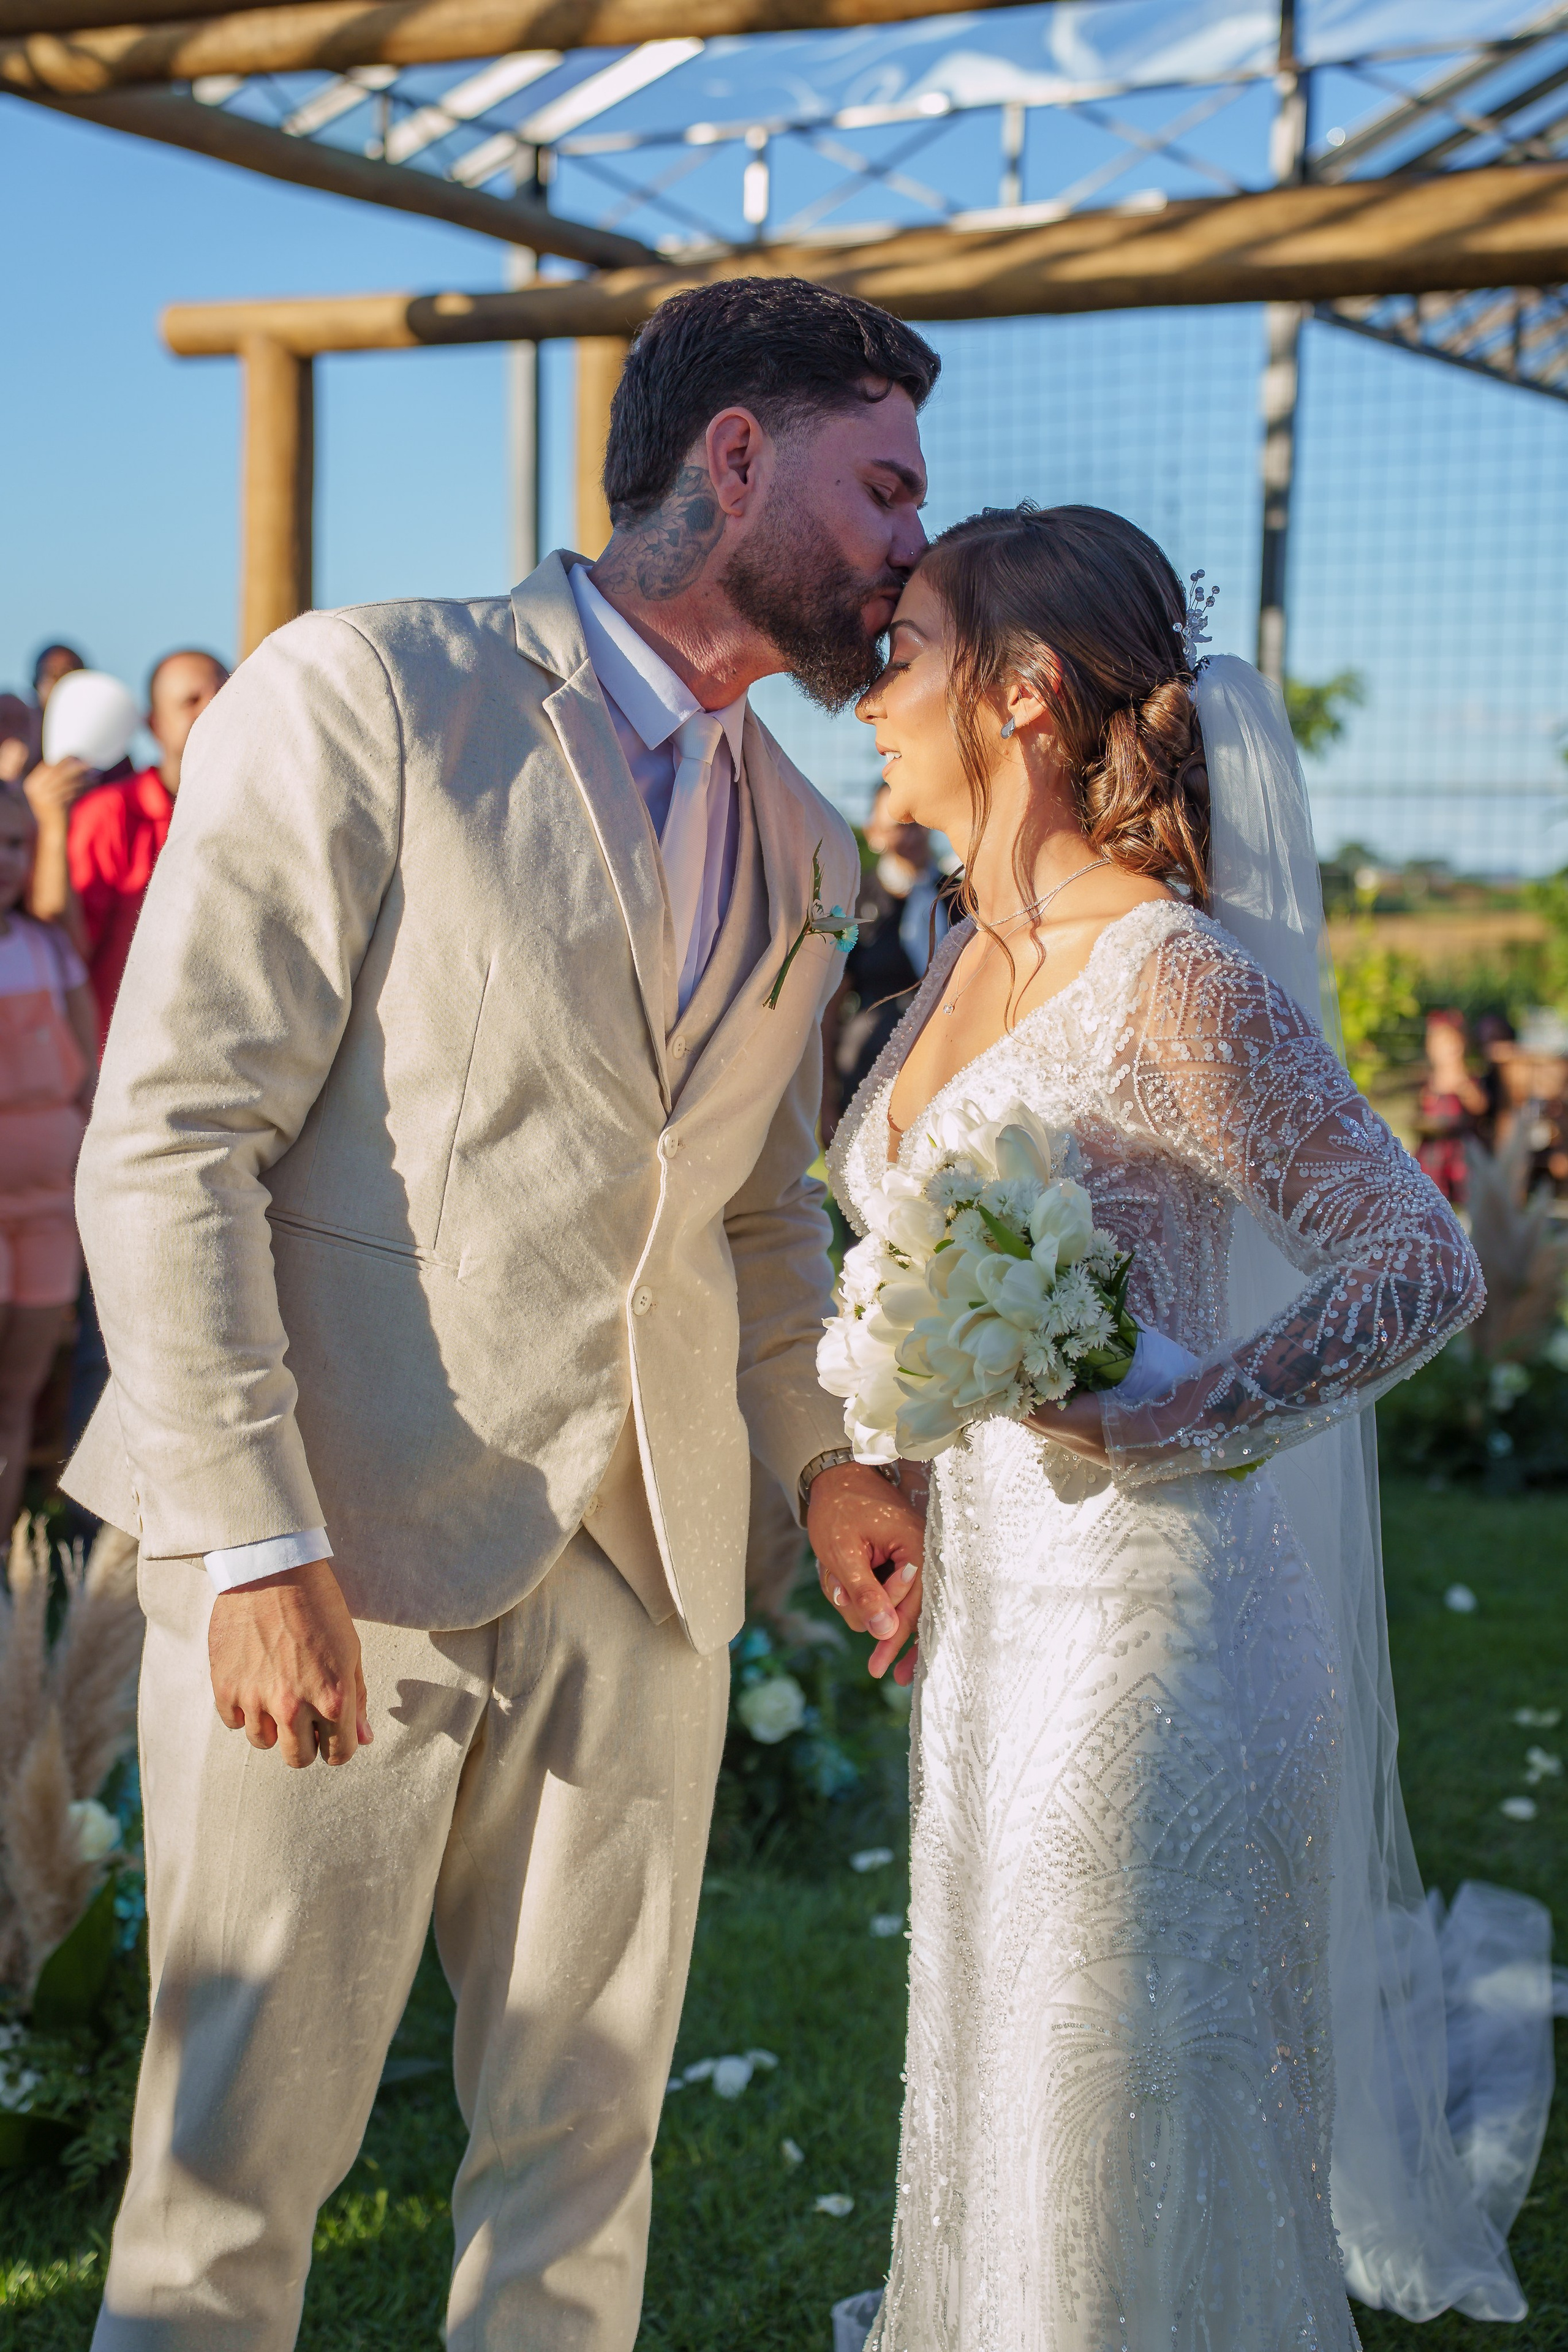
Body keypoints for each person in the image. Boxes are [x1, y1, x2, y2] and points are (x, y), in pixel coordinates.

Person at [64, 275, 935, 2352]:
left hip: (642, 1586)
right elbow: (174, 1137)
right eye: (886, 483)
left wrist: (819, 1471)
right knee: (227, 2188)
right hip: (338, 1553)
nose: (917, 543)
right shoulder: (365, 689)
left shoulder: (807, 841)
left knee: (582, 2161)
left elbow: (749, 1223)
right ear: (734, 456)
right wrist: (257, 1538)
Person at [824, 504, 1540, 2347]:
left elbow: (1417, 1259)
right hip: (995, 1633)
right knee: (1011, 2097)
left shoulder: (1172, 972)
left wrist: (1198, 1407)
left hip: (1160, 1642)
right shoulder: (959, 955)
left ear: (1027, 692)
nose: (864, 692)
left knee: (1125, 2115)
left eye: (902, 649)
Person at [28, 648, 228, 1049]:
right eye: (191, 701)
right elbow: (68, 947)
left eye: (227, 695)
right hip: (123, 1070)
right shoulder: (110, 816)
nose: (215, 710)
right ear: (154, 724)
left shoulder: (264, 812)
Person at [0, 788, 97, 1536]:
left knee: (19, 1397)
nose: (5, 862)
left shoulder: (49, 949)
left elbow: (86, 1070)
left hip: (48, 1211)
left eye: (15, 844)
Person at [822, 780, 957, 1140]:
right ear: (874, 833)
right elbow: (830, 1006)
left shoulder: (962, 899)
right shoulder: (852, 906)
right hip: (870, 1072)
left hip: (947, 1070)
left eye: (917, 825)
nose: (911, 837)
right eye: (899, 827)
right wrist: (825, 1100)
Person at [1416, 1008, 1488, 1204]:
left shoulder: (1467, 1079)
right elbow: (1422, 1109)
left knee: (1463, 1190)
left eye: (1452, 1044)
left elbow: (1480, 1107)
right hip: (1434, 1148)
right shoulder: (1429, 1082)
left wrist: (1463, 1086)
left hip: (1459, 1148)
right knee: (1432, 1189)